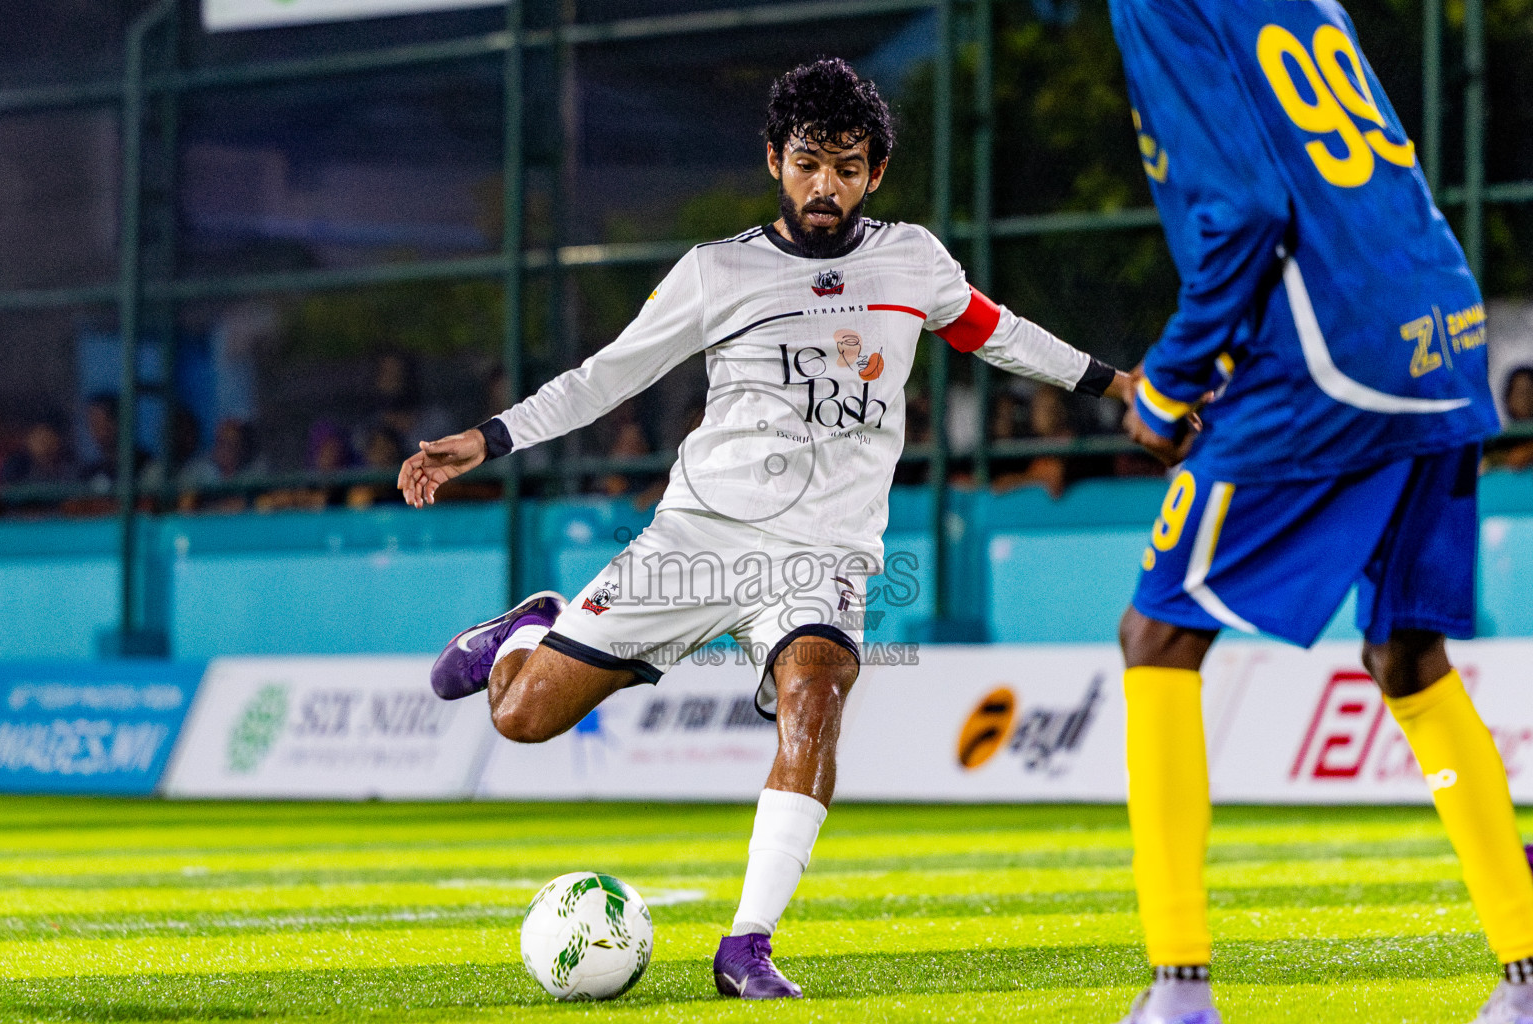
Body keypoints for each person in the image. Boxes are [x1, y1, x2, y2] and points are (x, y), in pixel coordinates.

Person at [398, 58, 1133, 1001]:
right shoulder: (718, 271)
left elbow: (999, 331)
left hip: (824, 556)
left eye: (847, 167)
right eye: (808, 163)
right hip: (698, 540)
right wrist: (488, 438)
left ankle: (746, 945)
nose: (825, 185)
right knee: (521, 717)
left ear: (875, 173)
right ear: (775, 162)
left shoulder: (913, 262)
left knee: (817, 695)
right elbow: (605, 377)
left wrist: (1118, 385)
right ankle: (530, 629)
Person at [1108, 1, 1528, 1022]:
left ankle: (1180, 990)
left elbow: (1247, 210)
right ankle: (1527, 971)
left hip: (1333, 357)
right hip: (1443, 330)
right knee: (1407, 655)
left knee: (1158, 635)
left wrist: (1168, 383)